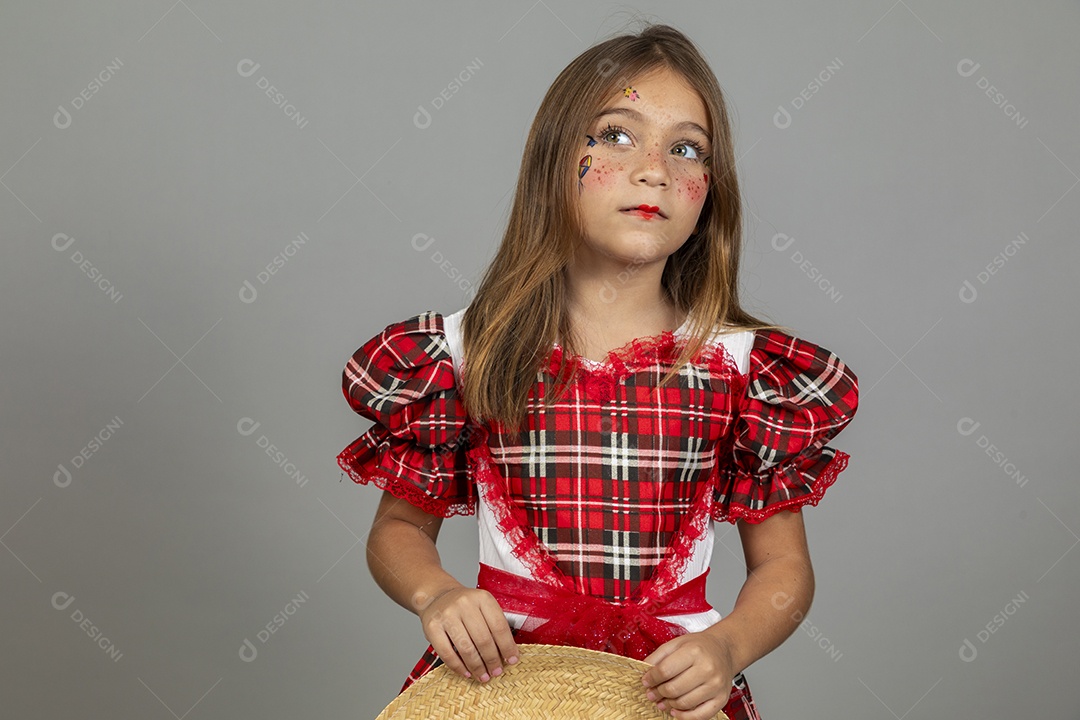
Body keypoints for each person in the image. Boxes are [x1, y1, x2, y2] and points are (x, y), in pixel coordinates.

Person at [337, 22, 859, 720]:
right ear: (555, 159)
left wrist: (728, 648)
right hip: (506, 690)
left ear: (709, 190)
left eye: (685, 149)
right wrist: (438, 594)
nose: (655, 170)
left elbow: (783, 569)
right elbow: (398, 531)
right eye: (617, 135)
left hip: (672, 696)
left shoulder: (743, 369)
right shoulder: (468, 352)